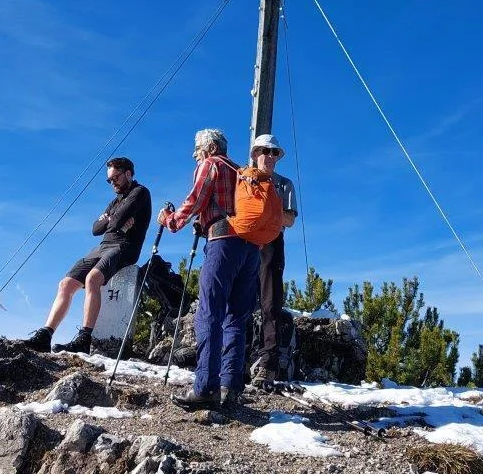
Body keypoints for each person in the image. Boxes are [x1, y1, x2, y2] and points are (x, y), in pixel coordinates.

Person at [159, 128, 263, 411]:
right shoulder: (242, 171)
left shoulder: (212, 164)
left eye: (197, 149)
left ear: (211, 147)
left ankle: (205, 387)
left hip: (222, 243)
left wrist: (171, 221)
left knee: (209, 312)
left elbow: (195, 198)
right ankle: (231, 388)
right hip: (251, 248)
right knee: (236, 318)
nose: (196, 155)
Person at [24, 157, 152, 354]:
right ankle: (45, 335)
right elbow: (96, 229)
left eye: (116, 177)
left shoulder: (140, 192)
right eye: (109, 180)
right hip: (103, 246)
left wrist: (112, 219)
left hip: (126, 247)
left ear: (128, 173)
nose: (113, 183)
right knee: (66, 284)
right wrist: (114, 219)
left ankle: (85, 338)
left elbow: (115, 222)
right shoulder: (115, 201)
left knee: (93, 278)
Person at [246, 133, 298, 386]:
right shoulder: (242, 178)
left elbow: (289, 220)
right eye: (264, 151)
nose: (269, 156)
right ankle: (237, 359)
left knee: (270, 302)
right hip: (243, 241)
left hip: (271, 244)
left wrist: (268, 205)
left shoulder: (284, 184)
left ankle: (268, 361)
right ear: (256, 154)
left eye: (274, 152)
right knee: (239, 300)